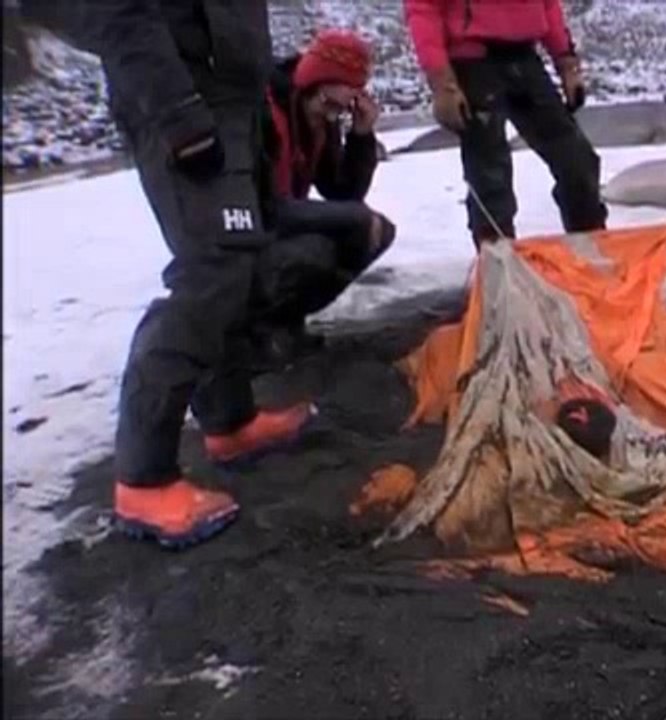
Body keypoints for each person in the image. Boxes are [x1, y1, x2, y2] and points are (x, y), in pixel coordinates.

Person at [80, 1, 311, 548]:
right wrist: (175, 106)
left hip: (232, 96)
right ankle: (143, 477)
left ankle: (230, 421)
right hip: (180, 92)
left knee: (243, 262)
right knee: (211, 272)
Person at [403, 0, 608, 247]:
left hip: (524, 56)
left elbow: (548, 5)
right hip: (472, 58)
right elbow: (424, 10)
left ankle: (592, 246)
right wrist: (442, 82)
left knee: (577, 159)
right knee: (490, 172)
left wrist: (566, 63)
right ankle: (497, 260)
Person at [252, 29, 398, 364]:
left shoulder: (319, 120)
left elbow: (343, 192)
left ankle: (287, 324)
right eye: (352, 86)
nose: (357, 96)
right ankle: (255, 332)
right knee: (321, 248)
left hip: (281, 222)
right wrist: (356, 218)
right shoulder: (264, 113)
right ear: (324, 82)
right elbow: (263, 205)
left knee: (373, 233)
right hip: (251, 234)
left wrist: (361, 137)